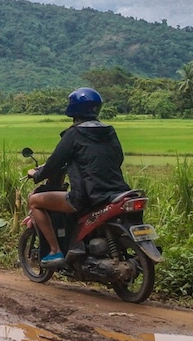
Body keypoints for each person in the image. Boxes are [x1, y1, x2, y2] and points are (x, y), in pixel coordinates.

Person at [25, 87, 130, 268]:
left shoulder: (74, 133)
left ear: (73, 109)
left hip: (86, 196)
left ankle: (54, 251)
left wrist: (38, 174)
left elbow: (54, 163)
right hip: (117, 192)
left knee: (34, 201)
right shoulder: (109, 131)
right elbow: (118, 158)